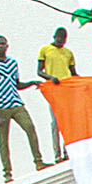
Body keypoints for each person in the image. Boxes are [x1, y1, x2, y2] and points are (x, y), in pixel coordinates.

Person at [0, 36, 50, 183]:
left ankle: (38, 161)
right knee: (4, 140)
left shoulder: (13, 63)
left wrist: (31, 83)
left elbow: (16, 84)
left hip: (15, 103)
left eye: (3, 44)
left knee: (30, 127)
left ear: (7, 46)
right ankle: (7, 172)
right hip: (0, 106)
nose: (1, 46)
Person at [35, 28, 78, 163]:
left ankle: (67, 151)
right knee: (55, 122)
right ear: (54, 37)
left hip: (67, 89)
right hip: (54, 89)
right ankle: (57, 154)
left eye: (63, 39)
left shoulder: (68, 53)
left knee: (68, 121)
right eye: (59, 38)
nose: (61, 41)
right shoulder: (45, 50)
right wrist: (50, 78)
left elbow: (73, 73)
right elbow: (39, 71)